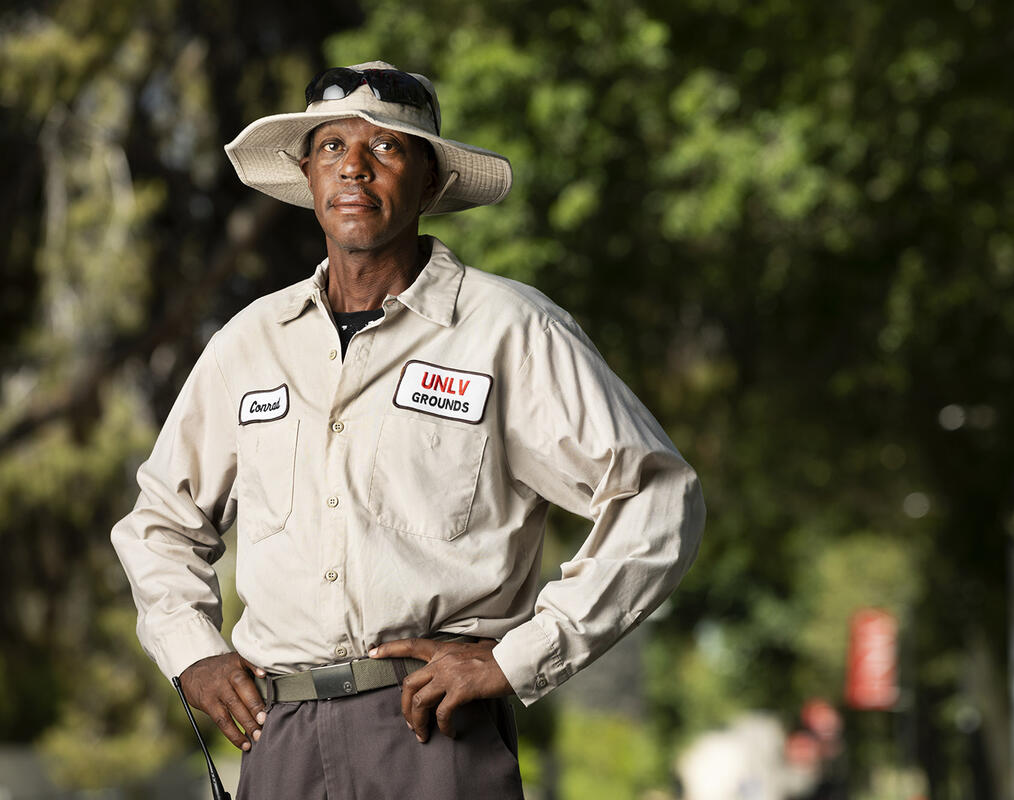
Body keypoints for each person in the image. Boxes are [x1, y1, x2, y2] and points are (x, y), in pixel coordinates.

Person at [110, 61, 705, 798]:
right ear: (307, 173)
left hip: (431, 733)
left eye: (386, 147)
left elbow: (658, 496)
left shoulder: (509, 330)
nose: (353, 167)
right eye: (331, 147)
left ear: (429, 181)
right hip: (279, 736)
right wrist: (191, 650)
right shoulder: (249, 342)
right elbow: (160, 523)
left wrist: (519, 657)